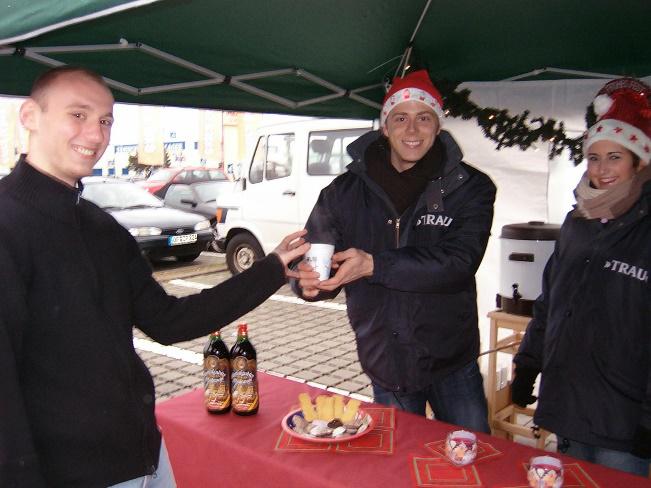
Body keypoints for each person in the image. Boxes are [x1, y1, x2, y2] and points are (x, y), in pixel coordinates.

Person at [0, 65, 309, 488]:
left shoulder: (100, 228)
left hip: (144, 457)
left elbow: (168, 321)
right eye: (78, 114)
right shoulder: (7, 224)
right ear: (30, 117)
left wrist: (271, 269)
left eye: (106, 120)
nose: (95, 135)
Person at [292, 69, 496, 432]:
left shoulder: (471, 188)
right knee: (397, 467)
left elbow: (460, 262)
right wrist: (307, 284)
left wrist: (374, 265)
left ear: (438, 126)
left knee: (474, 459)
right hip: (386, 358)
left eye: (424, 118)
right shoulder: (342, 192)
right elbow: (315, 253)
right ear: (385, 127)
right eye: (401, 118)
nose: (412, 130)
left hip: (451, 358)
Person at [512, 77, 651, 477]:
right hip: (567, 406)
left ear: (639, 162)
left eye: (615, 158)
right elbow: (550, 303)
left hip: (623, 421)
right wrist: (528, 365)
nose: (602, 170)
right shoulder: (577, 223)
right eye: (594, 157)